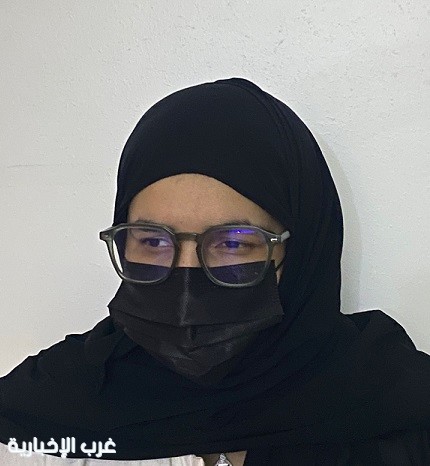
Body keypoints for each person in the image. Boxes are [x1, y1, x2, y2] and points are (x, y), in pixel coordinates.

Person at [0, 77, 429, 465]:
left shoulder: (398, 415)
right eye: (153, 241)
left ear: (300, 253)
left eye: (233, 242)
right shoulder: (45, 414)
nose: (186, 279)